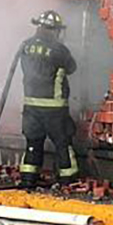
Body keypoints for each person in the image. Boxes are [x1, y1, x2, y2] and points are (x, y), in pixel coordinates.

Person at [18, 10, 79, 186]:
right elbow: (72, 68)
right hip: (54, 107)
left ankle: (28, 179)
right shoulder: (59, 49)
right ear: (54, 30)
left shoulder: (26, 46)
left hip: (30, 105)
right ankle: (67, 179)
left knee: (33, 142)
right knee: (62, 143)